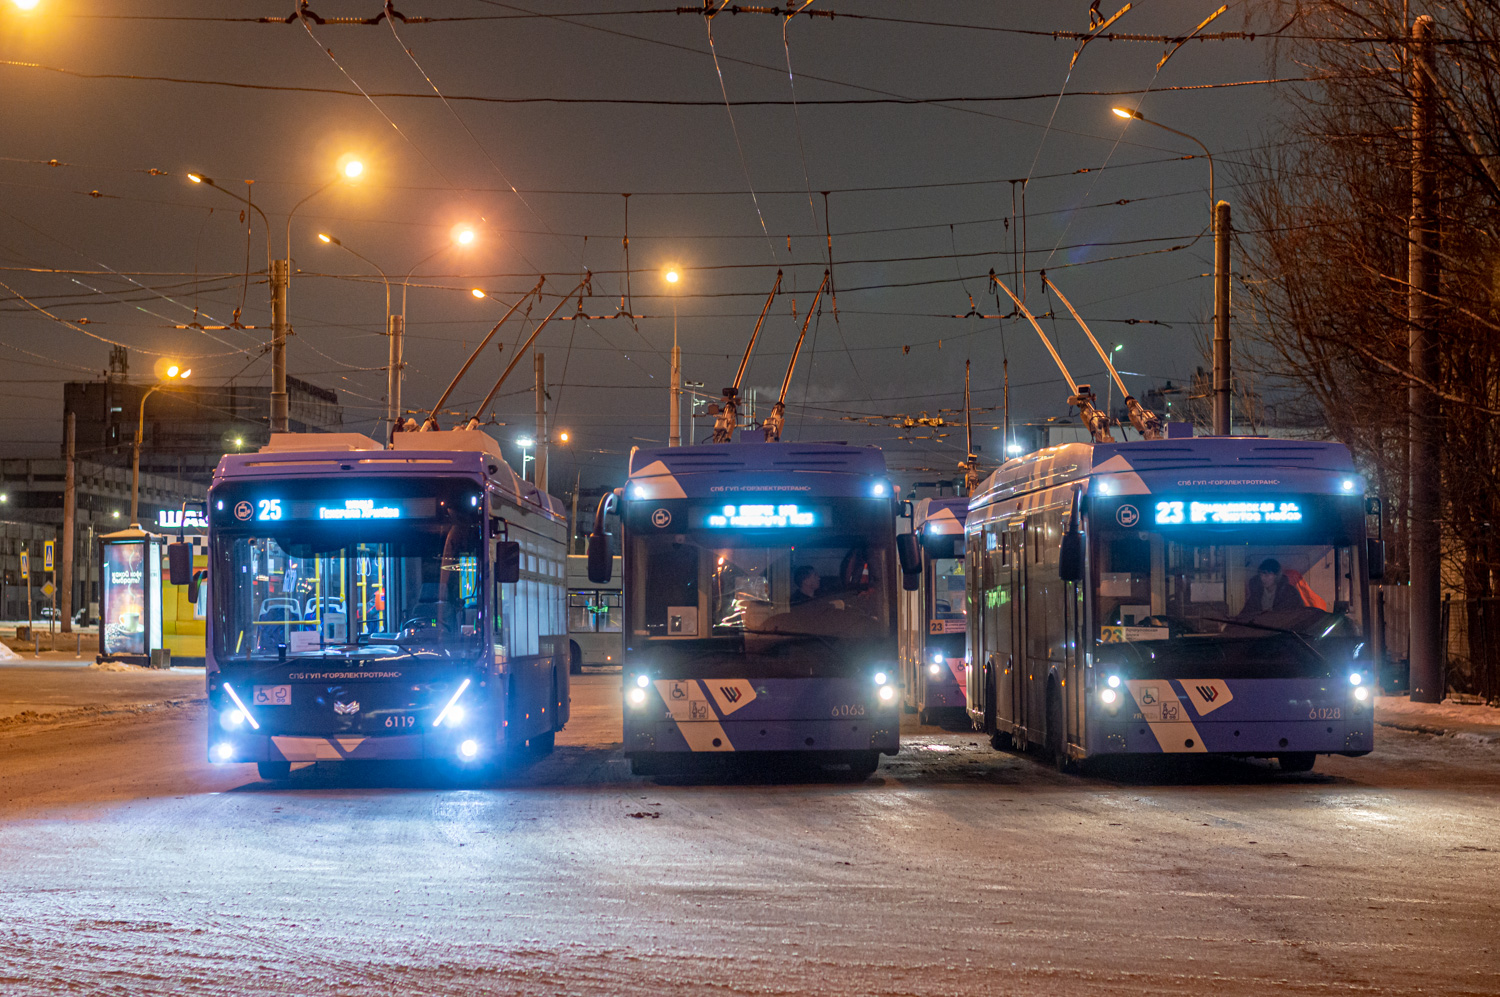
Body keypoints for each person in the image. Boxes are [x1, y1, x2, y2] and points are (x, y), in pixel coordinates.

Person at [1239, 558, 1307, 618]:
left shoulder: (1290, 593)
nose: (1262, 578)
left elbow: (1298, 616)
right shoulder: (1257, 593)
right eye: (1261, 574)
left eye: (1267, 574)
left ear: (1276, 575)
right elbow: (1246, 614)